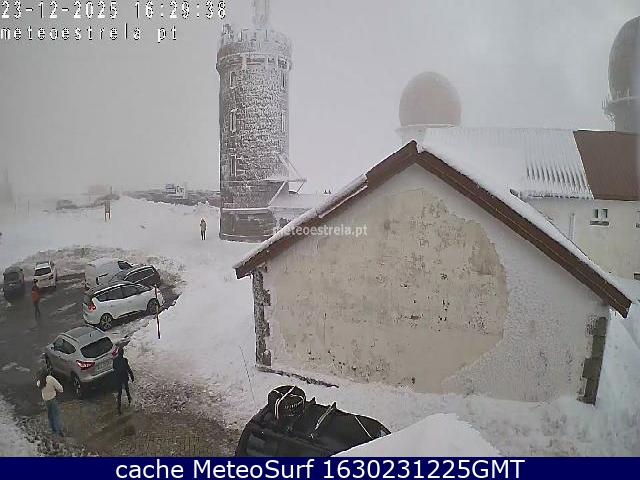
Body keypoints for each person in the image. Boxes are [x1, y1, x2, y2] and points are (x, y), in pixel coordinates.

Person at [36, 370, 64, 436]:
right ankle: (58, 431)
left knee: (50, 415)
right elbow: (60, 388)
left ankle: (53, 429)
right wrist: (59, 390)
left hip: (46, 400)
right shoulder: (50, 379)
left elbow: (38, 384)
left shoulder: (40, 381)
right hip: (52, 399)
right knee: (56, 415)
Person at [112, 347, 134, 415]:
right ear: (123, 353)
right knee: (127, 390)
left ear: (118, 353)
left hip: (118, 378)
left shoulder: (115, 360)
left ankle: (119, 408)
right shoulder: (125, 360)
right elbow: (128, 368)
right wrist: (132, 376)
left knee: (119, 393)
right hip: (124, 377)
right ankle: (130, 401)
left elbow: (114, 368)